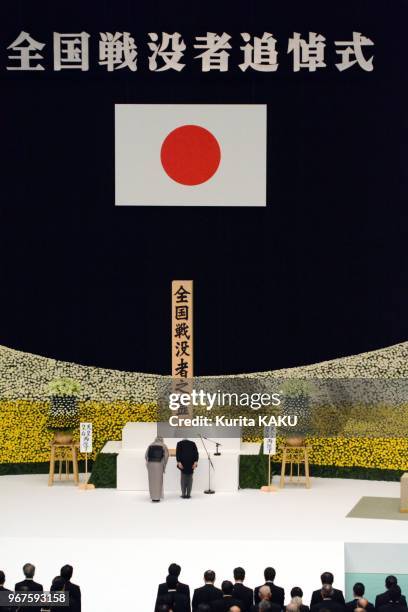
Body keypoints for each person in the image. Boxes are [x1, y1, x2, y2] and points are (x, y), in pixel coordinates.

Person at [146, 436, 169, 502]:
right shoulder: (163, 445)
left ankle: (153, 497)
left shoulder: (150, 445)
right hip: (159, 464)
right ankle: (158, 497)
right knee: (158, 481)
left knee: (151, 481)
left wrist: (148, 463)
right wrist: (164, 464)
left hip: (150, 464)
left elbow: (145, 456)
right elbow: (166, 456)